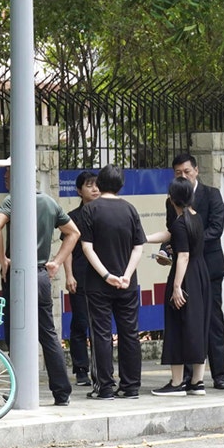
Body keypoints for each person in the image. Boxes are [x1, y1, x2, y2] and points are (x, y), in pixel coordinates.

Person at [0, 156, 78, 406]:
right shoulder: (49, 202)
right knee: (48, 335)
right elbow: (73, 233)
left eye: (8, 173)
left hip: (17, 274)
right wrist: (57, 261)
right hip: (40, 275)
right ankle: (62, 392)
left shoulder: (13, 200)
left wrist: (3, 260)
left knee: (15, 334)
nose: (5, 178)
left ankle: (18, 390)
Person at [163, 153, 224, 389]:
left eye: (187, 172)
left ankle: (219, 374)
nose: (183, 176)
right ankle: (190, 377)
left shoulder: (211, 195)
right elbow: (173, 231)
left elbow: (216, 229)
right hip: (184, 268)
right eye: (178, 173)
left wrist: (190, 244)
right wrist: (165, 250)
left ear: (196, 170)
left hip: (208, 267)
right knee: (186, 321)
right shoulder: (171, 200)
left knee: (212, 321)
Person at [80, 164, 145, 400]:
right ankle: (131, 387)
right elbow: (138, 247)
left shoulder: (90, 210)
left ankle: (105, 387)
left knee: (101, 333)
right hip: (128, 283)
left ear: (99, 184)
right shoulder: (131, 210)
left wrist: (106, 275)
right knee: (130, 333)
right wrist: (126, 275)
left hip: (98, 284)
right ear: (121, 185)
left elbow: (87, 248)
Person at [147, 177, 211, 396]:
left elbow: (182, 256)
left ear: (172, 198)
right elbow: (170, 235)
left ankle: (176, 383)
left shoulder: (180, 222)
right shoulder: (195, 218)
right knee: (197, 325)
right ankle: (197, 382)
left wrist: (176, 287)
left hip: (186, 276)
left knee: (177, 326)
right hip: (201, 275)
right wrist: (142, 238)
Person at [62, 170, 99, 388]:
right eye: (89, 185)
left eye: (97, 185)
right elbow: (66, 248)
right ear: (79, 190)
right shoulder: (72, 218)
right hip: (79, 275)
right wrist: (69, 275)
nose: (94, 189)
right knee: (80, 323)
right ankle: (81, 369)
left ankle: (99, 369)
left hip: (101, 277)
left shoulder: (103, 214)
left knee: (99, 324)